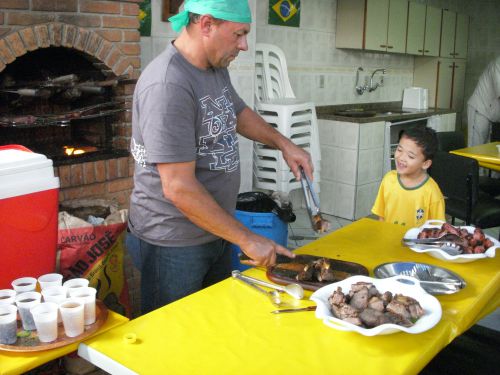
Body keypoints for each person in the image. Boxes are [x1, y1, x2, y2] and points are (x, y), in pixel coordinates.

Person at [126, 0, 313, 314]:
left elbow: (236, 112)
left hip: (215, 229)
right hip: (173, 241)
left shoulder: (212, 68)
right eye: (239, 34)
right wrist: (246, 237)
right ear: (207, 25)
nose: (244, 45)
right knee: (172, 345)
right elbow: (178, 187)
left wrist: (283, 143)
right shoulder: (168, 85)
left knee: (212, 329)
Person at [371, 127, 445, 227]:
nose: (401, 157)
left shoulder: (432, 192)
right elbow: (381, 216)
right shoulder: (388, 180)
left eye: (410, 156)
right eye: (399, 149)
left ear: (425, 164)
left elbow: (438, 229)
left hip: (415, 243)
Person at [467, 55, 500, 146]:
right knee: (475, 148)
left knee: (487, 149)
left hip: (493, 114)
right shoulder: (498, 63)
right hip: (481, 109)